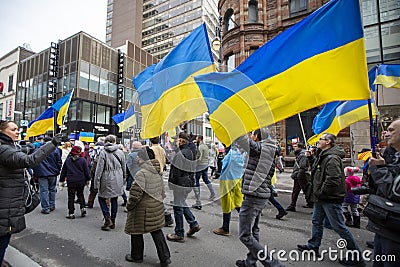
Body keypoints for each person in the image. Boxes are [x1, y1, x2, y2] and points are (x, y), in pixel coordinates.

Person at [297, 133, 365, 267]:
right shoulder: (323, 155)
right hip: (321, 197)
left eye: (320, 139)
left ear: (327, 142)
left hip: (329, 197)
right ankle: (313, 245)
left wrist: (321, 192)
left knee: (338, 226)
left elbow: (332, 179)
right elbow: (316, 171)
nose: (318, 142)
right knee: (316, 221)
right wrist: (311, 158)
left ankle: (357, 257)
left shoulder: (332, 158)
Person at [0, 120, 61, 264]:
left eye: (17, 129)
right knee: (2, 239)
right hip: (5, 204)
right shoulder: (4, 149)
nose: (17, 132)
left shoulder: (8, 146)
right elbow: (30, 160)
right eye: (13, 129)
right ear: (2, 131)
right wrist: (52, 144)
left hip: (8, 201)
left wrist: (32, 146)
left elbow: (23, 152)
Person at [235, 128, 284, 267]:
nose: (250, 136)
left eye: (252, 134)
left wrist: (235, 125)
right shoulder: (268, 148)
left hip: (254, 195)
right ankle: (250, 262)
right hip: (258, 194)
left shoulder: (262, 148)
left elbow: (244, 141)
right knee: (253, 230)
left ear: (256, 137)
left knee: (245, 235)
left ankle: (274, 264)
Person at [124, 147, 171, 266]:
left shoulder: (142, 173)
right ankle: (165, 258)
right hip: (155, 207)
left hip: (142, 209)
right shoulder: (157, 172)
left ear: (144, 159)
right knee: (156, 231)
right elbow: (163, 193)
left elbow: (135, 196)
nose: (137, 158)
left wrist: (129, 206)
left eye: (139, 156)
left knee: (135, 231)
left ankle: (136, 255)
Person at [367, 119, 400, 267]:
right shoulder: (392, 155)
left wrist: (378, 169)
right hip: (383, 224)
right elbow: (379, 188)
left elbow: (393, 192)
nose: (386, 133)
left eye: (391, 130)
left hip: (396, 230)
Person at [166, 132, 201, 243]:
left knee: (178, 207)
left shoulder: (181, 153)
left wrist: (172, 184)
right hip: (187, 182)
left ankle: (179, 233)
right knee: (181, 203)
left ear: (181, 141)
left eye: (177, 140)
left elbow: (176, 171)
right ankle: (193, 223)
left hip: (180, 183)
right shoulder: (190, 151)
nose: (176, 141)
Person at [94, 135, 126, 231]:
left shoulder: (103, 153)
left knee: (101, 198)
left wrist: (96, 182)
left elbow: (99, 169)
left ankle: (107, 218)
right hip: (117, 177)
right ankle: (113, 220)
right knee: (114, 199)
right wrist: (123, 178)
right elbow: (124, 167)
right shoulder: (120, 152)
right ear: (114, 141)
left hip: (106, 178)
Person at [213, 145, 245, 236]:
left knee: (226, 203)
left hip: (227, 179)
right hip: (237, 178)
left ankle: (225, 228)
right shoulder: (241, 151)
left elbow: (224, 165)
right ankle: (247, 225)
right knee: (238, 202)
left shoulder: (231, 153)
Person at [31, 136, 62, 214]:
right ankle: (52, 205)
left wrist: (35, 172)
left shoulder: (37, 150)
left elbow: (34, 162)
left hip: (42, 173)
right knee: (52, 189)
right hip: (53, 172)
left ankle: (45, 208)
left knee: (43, 191)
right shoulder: (56, 150)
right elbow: (59, 161)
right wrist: (58, 170)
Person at [60, 146, 91, 219]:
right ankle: (83, 208)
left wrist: (61, 180)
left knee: (71, 197)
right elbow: (87, 171)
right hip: (81, 180)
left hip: (71, 181)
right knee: (80, 194)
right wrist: (88, 179)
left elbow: (64, 171)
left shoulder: (68, 160)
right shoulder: (83, 160)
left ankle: (71, 213)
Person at [149, 137, 174, 227]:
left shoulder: (151, 149)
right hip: (160, 173)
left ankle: (166, 215)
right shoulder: (162, 149)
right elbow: (164, 161)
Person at [287, 142, 313, 211]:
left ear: (299, 147)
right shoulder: (299, 155)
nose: (294, 148)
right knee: (296, 191)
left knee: (305, 190)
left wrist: (298, 174)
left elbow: (303, 166)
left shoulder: (302, 155)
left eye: (295, 146)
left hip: (301, 176)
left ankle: (310, 203)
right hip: (298, 175)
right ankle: (293, 205)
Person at [192, 135, 216, 210]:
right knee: (206, 179)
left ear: (199, 139)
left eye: (196, 138)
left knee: (196, 181)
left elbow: (199, 157)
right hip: (205, 164)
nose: (195, 139)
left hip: (200, 165)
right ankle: (212, 193)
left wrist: (196, 164)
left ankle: (198, 198)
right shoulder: (205, 146)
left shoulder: (200, 147)